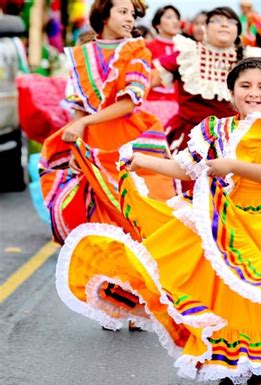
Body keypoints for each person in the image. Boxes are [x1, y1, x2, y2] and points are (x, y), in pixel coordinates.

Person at [55, 57, 261, 385]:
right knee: (226, 298)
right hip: (222, 225)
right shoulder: (213, 130)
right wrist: (141, 161)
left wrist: (232, 166)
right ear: (232, 93)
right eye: (245, 86)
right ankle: (228, 374)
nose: (254, 93)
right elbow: (184, 168)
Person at [39, 0, 174, 245]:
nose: (130, 19)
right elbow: (80, 104)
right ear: (103, 15)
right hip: (92, 141)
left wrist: (83, 123)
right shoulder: (81, 54)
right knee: (99, 215)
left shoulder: (137, 50)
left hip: (127, 138)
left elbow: (129, 103)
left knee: (139, 209)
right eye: (122, 12)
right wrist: (76, 145)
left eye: (132, 14)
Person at [153, 6, 261, 153]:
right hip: (191, 141)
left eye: (231, 21)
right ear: (204, 28)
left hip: (237, 139)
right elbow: (147, 81)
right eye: (216, 20)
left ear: (238, 30)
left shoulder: (250, 56)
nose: (224, 25)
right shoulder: (187, 54)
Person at [142, 5, 181, 124]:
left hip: (179, 105)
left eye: (177, 18)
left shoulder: (186, 49)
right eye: (169, 17)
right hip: (151, 104)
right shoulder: (147, 48)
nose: (175, 21)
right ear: (157, 24)